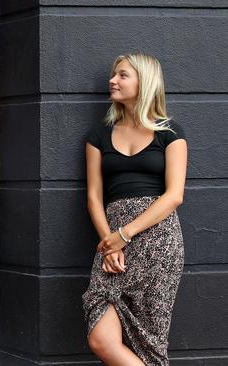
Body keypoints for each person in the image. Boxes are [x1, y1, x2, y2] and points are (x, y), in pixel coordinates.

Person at [82, 53, 187, 365]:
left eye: (123, 75)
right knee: (101, 338)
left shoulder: (170, 132)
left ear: (145, 81)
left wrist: (123, 235)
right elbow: (93, 197)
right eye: (114, 75)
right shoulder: (98, 135)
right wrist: (109, 243)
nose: (112, 81)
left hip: (159, 243)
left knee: (151, 341)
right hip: (112, 243)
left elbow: (174, 196)